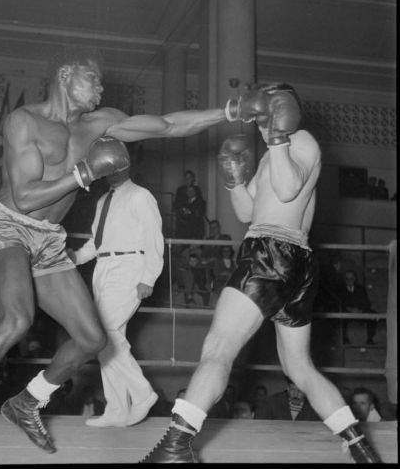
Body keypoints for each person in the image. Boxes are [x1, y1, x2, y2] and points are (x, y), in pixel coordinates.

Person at [0, 46, 228, 465]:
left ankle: (27, 402)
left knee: (93, 338)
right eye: (92, 79)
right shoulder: (23, 121)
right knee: (17, 319)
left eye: (100, 83)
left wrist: (231, 111)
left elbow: (168, 126)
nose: (99, 89)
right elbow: (22, 198)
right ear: (65, 75)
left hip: (49, 240)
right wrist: (85, 173)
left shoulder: (101, 124)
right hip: (7, 225)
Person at [141, 82, 381, 463]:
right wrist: (233, 178)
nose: (256, 121)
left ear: (282, 111)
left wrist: (280, 136)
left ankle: (176, 447)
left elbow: (287, 192)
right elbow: (247, 212)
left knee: (218, 349)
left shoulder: (301, 142)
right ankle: (358, 445)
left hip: (270, 254)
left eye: (264, 112)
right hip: (295, 264)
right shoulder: (276, 152)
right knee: (299, 366)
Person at [70, 165, 164, 427]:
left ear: (126, 165)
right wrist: (75, 257)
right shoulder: (103, 200)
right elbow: (97, 243)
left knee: (106, 334)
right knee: (106, 341)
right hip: (103, 269)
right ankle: (117, 409)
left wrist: (149, 277)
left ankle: (143, 394)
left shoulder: (141, 196)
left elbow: (153, 237)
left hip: (130, 267)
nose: (110, 171)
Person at [339, 270, 377, 345]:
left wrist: (361, 310)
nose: (349, 281)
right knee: (340, 319)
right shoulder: (341, 290)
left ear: (354, 279)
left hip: (360, 312)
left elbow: (366, 302)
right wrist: (349, 309)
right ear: (344, 280)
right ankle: (344, 339)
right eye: (347, 279)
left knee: (373, 315)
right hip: (347, 313)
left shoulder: (361, 289)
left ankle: (370, 339)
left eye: (351, 278)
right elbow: (340, 304)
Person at [254, 377, 319, 421]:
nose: (295, 394)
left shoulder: (314, 407)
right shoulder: (274, 402)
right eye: (292, 390)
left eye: (299, 391)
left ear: (306, 390)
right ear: (287, 388)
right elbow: (259, 422)